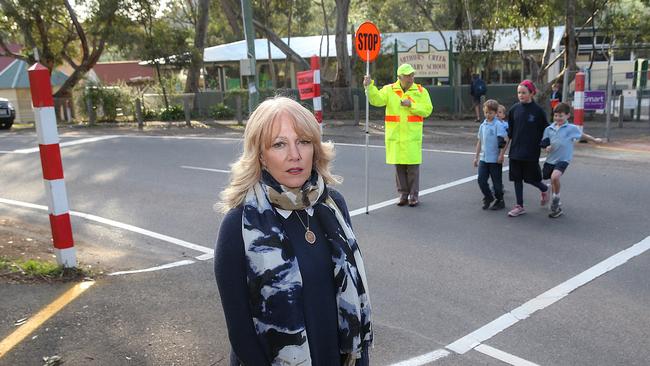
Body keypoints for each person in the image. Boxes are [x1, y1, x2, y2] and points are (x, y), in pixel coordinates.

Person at [214, 96, 372, 366]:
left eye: (303, 141)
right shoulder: (239, 224)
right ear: (261, 156)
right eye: (279, 144)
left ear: (315, 148)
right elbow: (240, 334)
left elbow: (353, 298)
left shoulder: (333, 206)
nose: (295, 155)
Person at [363, 63, 433, 207]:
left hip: (412, 137)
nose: (410, 78)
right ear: (399, 77)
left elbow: (427, 110)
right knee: (399, 168)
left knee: (413, 168)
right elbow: (376, 100)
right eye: (407, 75)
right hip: (396, 137)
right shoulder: (389, 90)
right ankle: (403, 195)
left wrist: (411, 105)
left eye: (412, 75)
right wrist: (369, 86)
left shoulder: (420, 91)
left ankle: (413, 196)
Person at [540, 102, 603, 218]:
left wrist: (594, 140)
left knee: (555, 177)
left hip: (564, 159)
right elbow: (544, 143)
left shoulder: (571, 128)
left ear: (568, 116)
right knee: (552, 180)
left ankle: (556, 198)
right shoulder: (549, 129)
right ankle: (556, 207)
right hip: (550, 160)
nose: (558, 118)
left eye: (561, 115)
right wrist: (546, 148)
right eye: (556, 115)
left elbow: (582, 135)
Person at [506, 80, 550, 217]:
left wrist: (547, 143)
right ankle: (519, 206)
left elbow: (547, 129)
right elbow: (510, 132)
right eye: (519, 92)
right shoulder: (514, 109)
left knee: (531, 179)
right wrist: (503, 151)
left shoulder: (538, 111)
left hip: (531, 151)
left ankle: (544, 188)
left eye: (524, 92)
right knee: (517, 179)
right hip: (515, 151)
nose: (521, 95)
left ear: (531, 93)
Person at [473, 99, 508, 210]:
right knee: (481, 180)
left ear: (495, 112)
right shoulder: (483, 125)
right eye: (486, 112)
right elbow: (480, 141)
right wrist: (476, 157)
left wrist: (501, 155)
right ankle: (488, 197)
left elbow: (503, 141)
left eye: (491, 113)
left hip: (494, 159)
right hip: (484, 158)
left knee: (497, 183)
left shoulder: (498, 125)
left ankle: (500, 200)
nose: (488, 115)